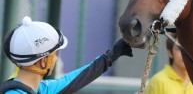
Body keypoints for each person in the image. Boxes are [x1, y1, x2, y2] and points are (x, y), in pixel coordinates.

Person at [0, 16, 133, 94]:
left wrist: (111, 56)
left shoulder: (39, 89)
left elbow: (75, 79)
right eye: (54, 54)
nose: (56, 58)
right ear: (43, 61)